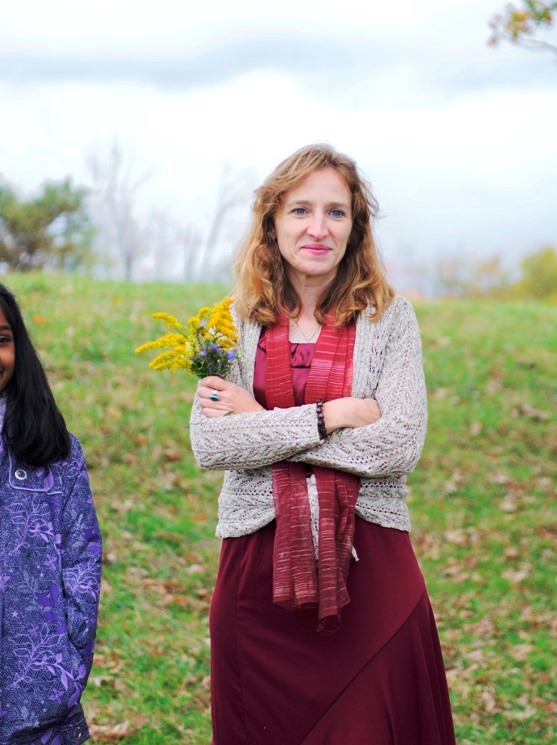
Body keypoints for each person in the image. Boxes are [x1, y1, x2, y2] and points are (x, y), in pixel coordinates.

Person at [190, 144, 455, 744]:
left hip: (371, 572)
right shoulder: (225, 323)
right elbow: (212, 442)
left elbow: (397, 445)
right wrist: (328, 416)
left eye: (336, 212)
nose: (318, 228)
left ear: (356, 226)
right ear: (271, 222)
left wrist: (261, 421)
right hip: (258, 576)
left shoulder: (391, 319)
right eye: (300, 210)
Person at [0, 284, 102, 745]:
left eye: (1, 339)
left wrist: (64, 661)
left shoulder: (54, 450)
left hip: (38, 705)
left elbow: (82, 560)